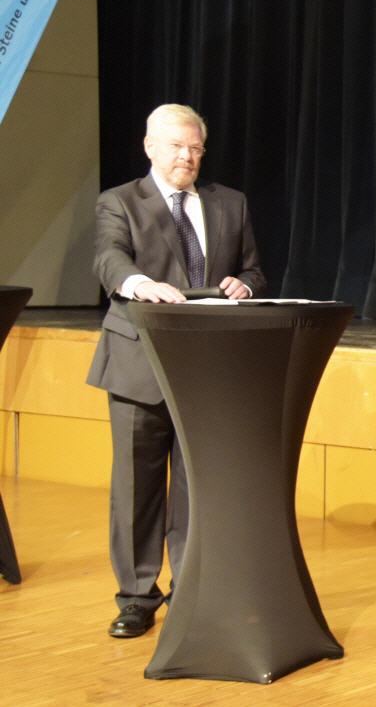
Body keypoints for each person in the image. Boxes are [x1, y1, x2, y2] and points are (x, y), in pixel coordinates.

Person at [87, 104, 266, 638]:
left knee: (196, 486)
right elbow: (109, 259)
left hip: (206, 369)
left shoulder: (230, 202)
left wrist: (245, 285)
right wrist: (141, 284)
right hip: (138, 362)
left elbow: (254, 268)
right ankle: (136, 598)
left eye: (195, 148)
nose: (187, 157)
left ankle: (191, 592)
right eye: (176, 147)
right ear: (150, 147)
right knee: (136, 487)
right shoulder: (119, 201)